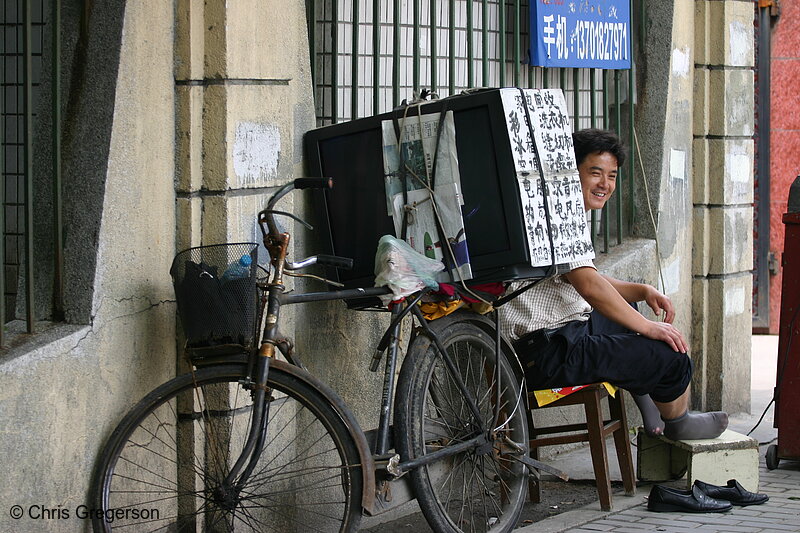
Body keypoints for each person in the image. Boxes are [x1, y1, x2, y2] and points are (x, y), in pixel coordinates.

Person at [500, 128, 728, 441]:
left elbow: (579, 275)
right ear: (570, 171)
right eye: (595, 173)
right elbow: (589, 286)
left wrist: (641, 291)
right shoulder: (560, 216)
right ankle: (679, 423)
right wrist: (649, 329)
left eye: (612, 175)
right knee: (671, 355)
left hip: (548, 338)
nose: (605, 184)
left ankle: (648, 399)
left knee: (626, 309)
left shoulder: (551, 206)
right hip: (548, 352)